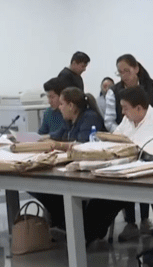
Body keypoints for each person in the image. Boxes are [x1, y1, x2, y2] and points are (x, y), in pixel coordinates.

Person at [84, 87, 153, 247]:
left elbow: (138, 145)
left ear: (139, 108)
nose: (122, 112)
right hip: (127, 172)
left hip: (151, 176)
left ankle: (89, 234)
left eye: (125, 108)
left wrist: (124, 144)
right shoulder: (128, 119)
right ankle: (87, 235)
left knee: (109, 199)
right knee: (99, 198)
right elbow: (115, 139)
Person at [30, 87, 106, 231]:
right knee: (37, 187)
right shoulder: (69, 120)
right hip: (69, 166)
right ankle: (63, 223)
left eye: (62, 104)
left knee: (49, 190)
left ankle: (70, 226)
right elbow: (56, 135)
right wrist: (33, 139)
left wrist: (57, 145)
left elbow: (83, 145)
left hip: (88, 170)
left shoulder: (89, 117)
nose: (59, 108)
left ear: (71, 106)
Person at [106, 55, 153, 130]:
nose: (123, 75)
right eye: (120, 72)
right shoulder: (113, 92)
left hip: (152, 130)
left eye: (127, 71)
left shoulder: (151, 87)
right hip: (125, 132)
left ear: (136, 69)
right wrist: (120, 133)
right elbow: (109, 121)